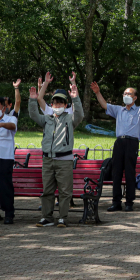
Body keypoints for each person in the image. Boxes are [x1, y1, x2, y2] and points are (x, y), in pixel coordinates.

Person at [29, 73, 84, 227]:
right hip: (47, 159)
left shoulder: (70, 119)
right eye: (55, 103)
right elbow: (33, 114)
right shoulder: (47, 118)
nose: (57, 105)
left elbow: (79, 114)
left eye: (61, 103)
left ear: (66, 105)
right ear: (51, 105)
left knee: (65, 192)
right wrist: (33, 100)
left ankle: (63, 218)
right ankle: (46, 217)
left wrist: (76, 98)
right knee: (47, 191)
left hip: (64, 160)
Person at [91, 82, 140, 212]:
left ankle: (129, 202)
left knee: (129, 173)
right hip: (119, 142)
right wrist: (97, 92)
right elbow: (104, 105)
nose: (126, 95)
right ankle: (116, 202)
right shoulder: (118, 109)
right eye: (125, 93)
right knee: (116, 172)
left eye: (129, 94)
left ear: (135, 98)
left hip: (132, 142)